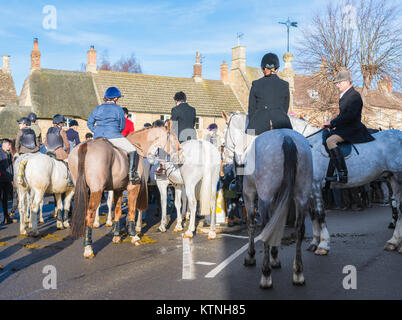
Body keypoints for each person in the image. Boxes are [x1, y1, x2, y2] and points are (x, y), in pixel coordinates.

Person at [322, 70, 375, 184]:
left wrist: (332, 123)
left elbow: (349, 116)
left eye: (339, 83)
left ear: (346, 82)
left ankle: (343, 173)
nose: (337, 85)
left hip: (353, 128)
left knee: (330, 141)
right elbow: (343, 115)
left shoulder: (354, 96)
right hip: (345, 127)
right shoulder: (346, 95)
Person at [87, 87, 140, 183]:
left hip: (98, 137)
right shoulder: (118, 109)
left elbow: (89, 123)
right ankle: (132, 174)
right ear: (115, 98)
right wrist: (115, 131)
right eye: (118, 98)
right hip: (114, 136)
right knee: (132, 150)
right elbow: (122, 126)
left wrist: (97, 130)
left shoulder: (98, 108)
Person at [246, 53, 292, 135]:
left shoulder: (256, 84)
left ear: (263, 68)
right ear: (277, 68)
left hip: (258, 125)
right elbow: (285, 108)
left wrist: (252, 124)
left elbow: (251, 109)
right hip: (283, 124)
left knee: (246, 141)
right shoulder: (285, 84)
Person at [45, 114, 73, 186]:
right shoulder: (62, 131)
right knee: (70, 162)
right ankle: (70, 180)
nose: (63, 124)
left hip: (48, 152)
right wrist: (67, 152)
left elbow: (45, 143)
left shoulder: (49, 130)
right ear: (60, 122)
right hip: (58, 152)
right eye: (62, 122)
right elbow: (67, 145)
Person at [0, 139, 13, 224]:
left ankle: (6, 217)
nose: (10, 146)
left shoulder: (8, 154)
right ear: (4, 145)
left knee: (5, 199)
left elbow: (10, 167)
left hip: (7, 179)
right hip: (1, 179)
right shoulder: (0, 153)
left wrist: (12, 176)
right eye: (9, 145)